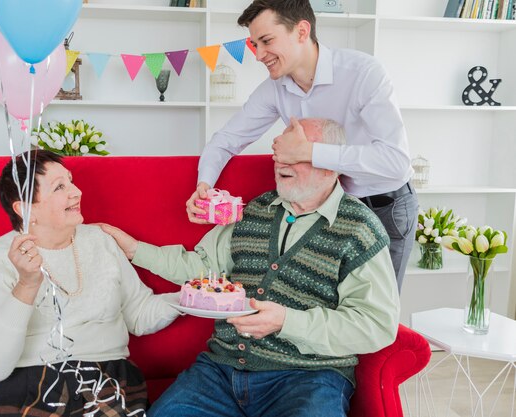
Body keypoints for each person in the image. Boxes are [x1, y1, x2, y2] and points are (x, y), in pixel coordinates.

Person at [101, 118, 400, 417]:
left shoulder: (359, 229)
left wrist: (286, 321)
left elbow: (376, 324)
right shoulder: (255, 211)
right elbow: (201, 268)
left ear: (330, 164)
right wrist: (134, 249)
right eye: (281, 154)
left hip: (308, 376)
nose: (280, 162)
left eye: (295, 156)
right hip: (221, 369)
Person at [186, 0, 417, 292]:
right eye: (254, 44)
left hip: (386, 203)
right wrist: (203, 186)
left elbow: (395, 161)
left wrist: (308, 153)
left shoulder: (363, 73)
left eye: (266, 41)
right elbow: (225, 140)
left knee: (374, 317)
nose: (258, 55)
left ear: (301, 31)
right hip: (329, 208)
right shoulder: (275, 89)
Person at [0, 150, 180, 417]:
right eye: (60, 187)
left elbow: (139, 313)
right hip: (23, 382)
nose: (77, 192)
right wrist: (26, 286)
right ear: (26, 208)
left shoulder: (101, 241)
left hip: (104, 378)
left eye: (71, 181)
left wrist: (190, 299)